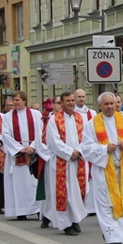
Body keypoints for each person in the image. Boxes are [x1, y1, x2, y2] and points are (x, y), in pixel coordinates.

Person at [81, 92, 123, 244]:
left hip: (121, 169)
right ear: (100, 106)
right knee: (105, 203)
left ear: (116, 104)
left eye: (112, 104)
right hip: (103, 170)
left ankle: (115, 236)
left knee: (119, 201)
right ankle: (112, 239)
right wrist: (103, 148)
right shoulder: (92, 124)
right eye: (106, 104)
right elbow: (86, 147)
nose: (109, 107)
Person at [45, 92, 88, 236]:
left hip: (78, 161)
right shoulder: (54, 119)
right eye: (67, 101)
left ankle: (75, 219)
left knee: (77, 193)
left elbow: (87, 138)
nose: (71, 103)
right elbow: (53, 141)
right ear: (61, 103)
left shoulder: (80, 118)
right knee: (64, 193)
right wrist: (70, 152)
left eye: (72, 100)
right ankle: (65, 223)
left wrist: (79, 151)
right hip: (61, 162)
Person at [1, 91, 43, 220]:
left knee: (34, 183)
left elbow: (41, 132)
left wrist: (33, 147)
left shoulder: (36, 115)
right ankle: (20, 210)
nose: (15, 102)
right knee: (18, 185)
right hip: (17, 154)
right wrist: (20, 149)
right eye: (13, 100)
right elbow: (5, 135)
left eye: (18, 100)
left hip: (33, 153)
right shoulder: (7, 117)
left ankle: (37, 209)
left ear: (25, 101)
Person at [37, 96, 62, 229]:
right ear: (53, 105)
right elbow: (39, 141)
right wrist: (50, 155)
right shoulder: (45, 120)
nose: (60, 106)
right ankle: (47, 216)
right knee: (50, 189)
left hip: (66, 159)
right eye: (58, 103)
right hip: (51, 159)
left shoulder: (69, 119)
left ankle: (65, 217)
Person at [75, 88, 98, 215]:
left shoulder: (92, 113)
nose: (81, 99)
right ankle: (80, 205)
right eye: (79, 97)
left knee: (92, 178)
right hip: (76, 149)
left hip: (90, 148)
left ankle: (91, 207)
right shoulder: (71, 114)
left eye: (83, 96)